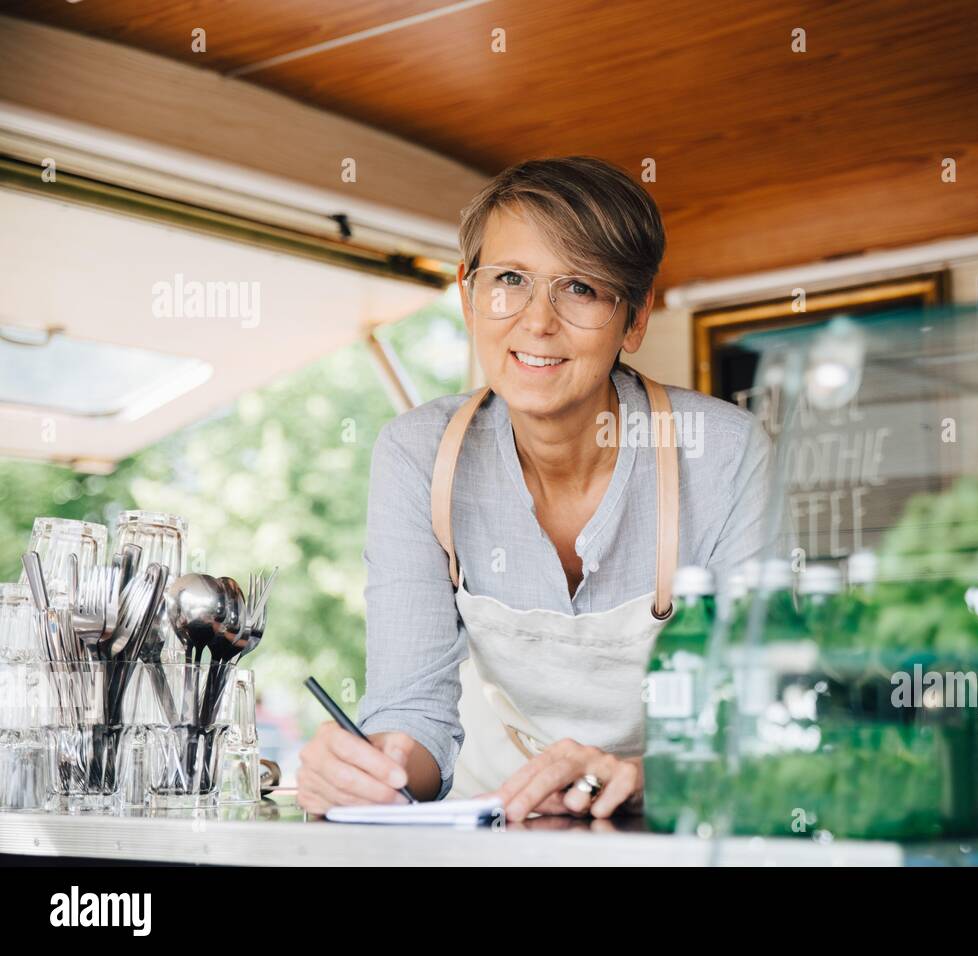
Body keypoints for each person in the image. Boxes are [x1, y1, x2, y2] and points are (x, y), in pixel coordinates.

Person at [298, 156, 774, 822]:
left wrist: (646, 777)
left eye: (579, 287)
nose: (537, 321)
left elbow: (766, 717)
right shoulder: (419, 455)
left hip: (679, 829)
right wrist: (370, 769)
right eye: (510, 280)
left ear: (633, 319)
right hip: (493, 828)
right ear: (469, 296)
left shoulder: (725, 456)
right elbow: (411, 712)